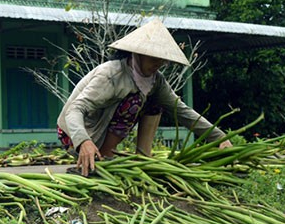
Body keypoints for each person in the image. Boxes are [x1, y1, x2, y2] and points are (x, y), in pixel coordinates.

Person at [57, 19, 232, 176]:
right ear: (138, 53)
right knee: (134, 101)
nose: (159, 63)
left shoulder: (155, 81)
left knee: (154, 102)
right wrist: (83, 141)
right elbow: (74, 110)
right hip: (75, 135)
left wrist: (219, 138)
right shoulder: (112, 74)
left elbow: (181, 111)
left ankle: (143, 157)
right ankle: (104, 157)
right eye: (153, 57)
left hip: (96, 132)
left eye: (162, 59)